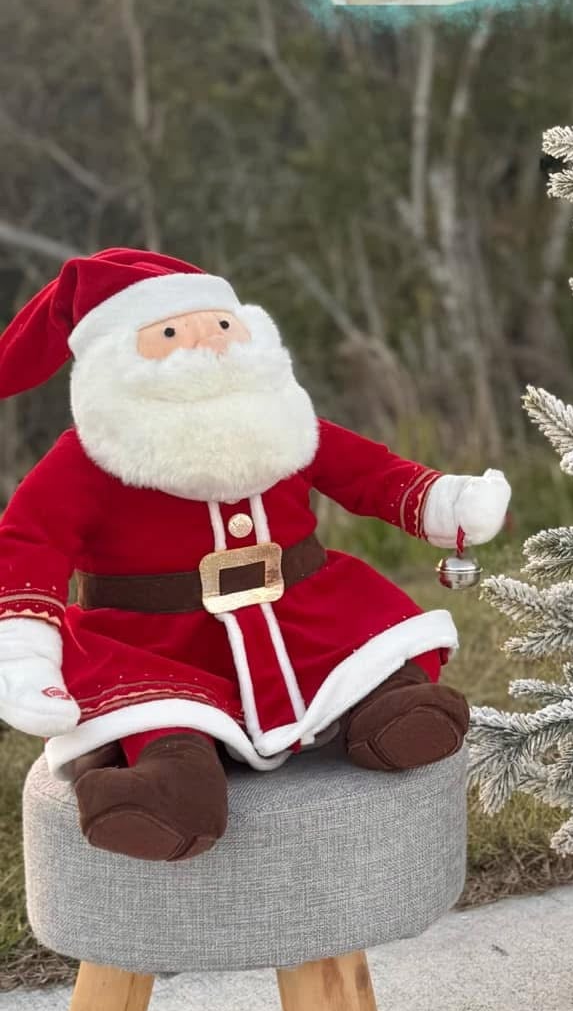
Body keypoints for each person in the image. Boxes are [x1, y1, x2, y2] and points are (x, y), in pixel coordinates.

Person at [0, 248, 510, 862]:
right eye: (168, 334)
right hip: (155, 644)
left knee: (372, 661)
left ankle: (389, 714)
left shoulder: (284, 422)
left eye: (220, 326)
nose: (208, 346)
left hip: (306, 618)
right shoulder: (88, 458)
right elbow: (29, 541)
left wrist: (446, 503)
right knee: (158, 721)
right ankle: (167, 790)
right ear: (117, 362)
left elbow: (370, 474)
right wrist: (24, 645)